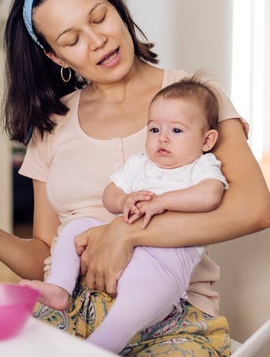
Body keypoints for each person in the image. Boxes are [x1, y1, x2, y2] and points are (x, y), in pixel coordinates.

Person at [0, 0, 270, 356]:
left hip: (170, 317)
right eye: (71, 39)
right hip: (69, 311)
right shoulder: (52, 124)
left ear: (118, 8)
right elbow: (47, 252)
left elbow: (254, 210)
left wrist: (127, 232)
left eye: (99, 17)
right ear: (55, 57)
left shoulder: (194, 99)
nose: (97, 40)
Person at [20, 76, 229, 353]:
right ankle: (59, 287)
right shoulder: (140, 164)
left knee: (135, 303)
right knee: (76, 228)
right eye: (154, 129)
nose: (162, 138)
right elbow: (110, 193)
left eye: (176, 131)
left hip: (163, 263)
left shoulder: (201, 167)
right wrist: (123, 199)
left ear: (207, 140)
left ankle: (103, 344)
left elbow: (210, 195)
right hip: (114, 252)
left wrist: (162, 202)